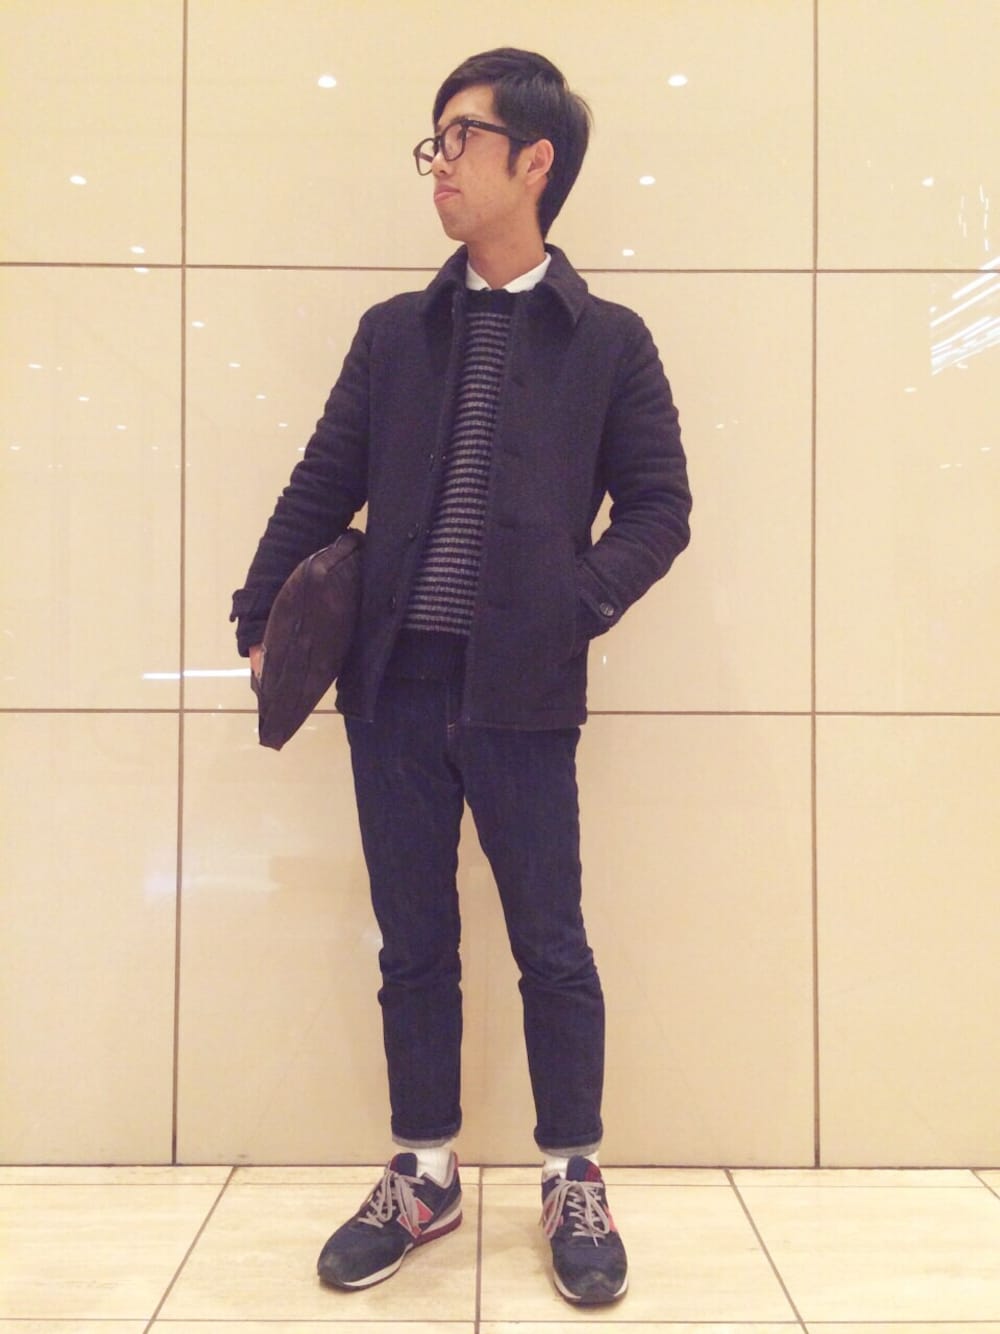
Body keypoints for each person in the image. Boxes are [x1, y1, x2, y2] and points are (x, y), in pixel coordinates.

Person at [230, 47, 691, 1306]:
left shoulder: (609, 341)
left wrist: (570, 605)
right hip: (390, 687)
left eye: (458, 138)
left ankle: (571, 1171)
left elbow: (660, 506)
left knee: (553, 943)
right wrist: (258, 613)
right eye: (431, 141)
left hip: (522, 695)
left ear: (534, 161)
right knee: (413, 941)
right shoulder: (396, 333)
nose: (436, 163)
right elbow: (323, 482)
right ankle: (423, 1170)